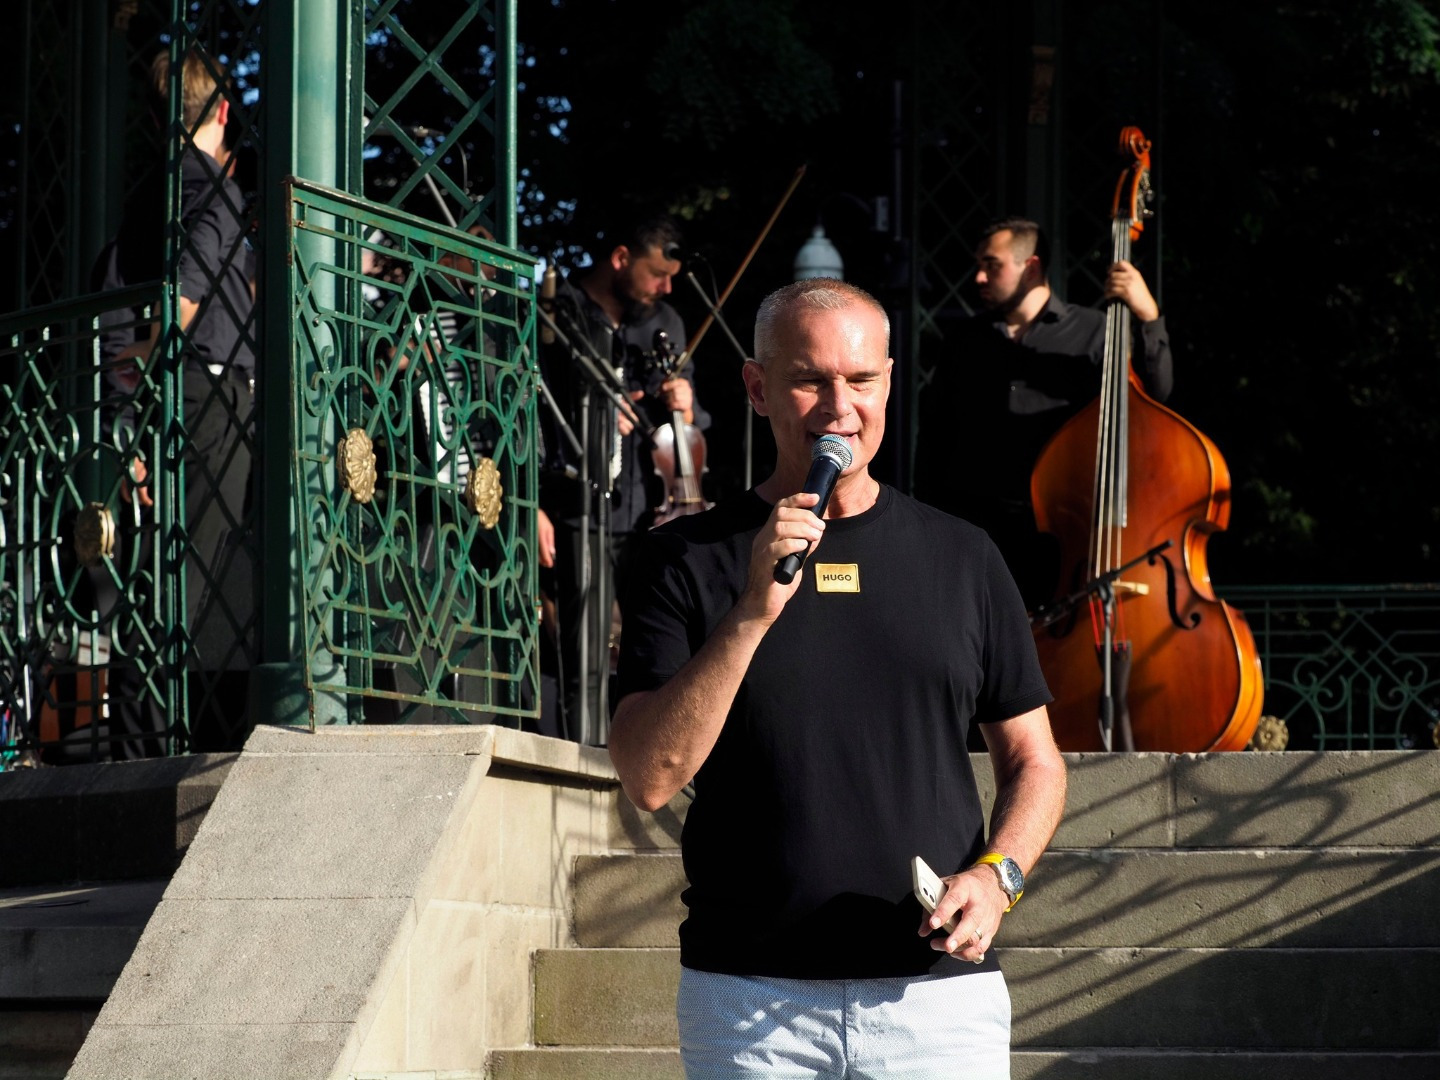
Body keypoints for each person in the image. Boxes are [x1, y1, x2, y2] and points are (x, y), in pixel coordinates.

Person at [610, 278, 1067, 1078]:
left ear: (888, 382)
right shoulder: (680, 560)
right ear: (757, 388)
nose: (839, 407)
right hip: (749, 1004)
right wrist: (752, 612)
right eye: (809, 380)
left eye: (860, 380)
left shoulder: (963, 557)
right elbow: (649, 777)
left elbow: (1035, 760)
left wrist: (999, 880)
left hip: (936, 1002)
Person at [913, 216, 1173, 608]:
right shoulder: (964, 341)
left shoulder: (1095, 333)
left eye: (992, 265)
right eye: (979, 265)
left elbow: (1154, 399)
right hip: (973, 535)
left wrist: (1149, 318)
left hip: (1059, 539)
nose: (979, 277)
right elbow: (934, 436)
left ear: (1031, 267)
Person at [113, 47, 257, 751]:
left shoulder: (148, 197)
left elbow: (118, 319)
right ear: (223, 110)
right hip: (211, 393)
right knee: (195, 578)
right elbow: (183, 301)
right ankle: (159, 743)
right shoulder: (216, 192)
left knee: (167, 571)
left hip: (170, 395)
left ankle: (142, 737)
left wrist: (128, 423)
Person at [538, 214, 709, 740]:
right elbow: (528, 414)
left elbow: (689, 428)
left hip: (652, 514)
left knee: (659, 650)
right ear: (620, 259)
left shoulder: (665, 322)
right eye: (657, 275)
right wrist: (534, 505)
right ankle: (582, 761)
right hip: (578, 507)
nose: (666, 288)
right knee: (582, 656)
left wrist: (686, 405)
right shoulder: (556, 314)